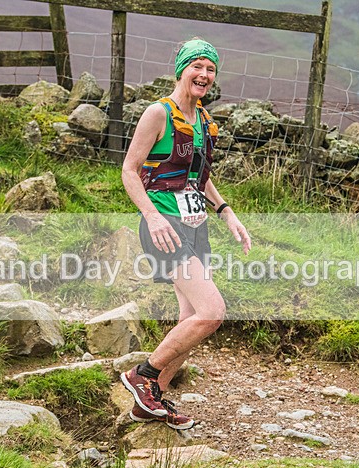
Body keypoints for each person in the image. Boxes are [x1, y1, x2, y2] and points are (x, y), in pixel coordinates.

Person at [120, 38, 251, 430]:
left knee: (190, 316)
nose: (204, 75)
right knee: (212, 312)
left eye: (211, 69)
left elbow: (198, 178)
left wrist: (226, 212)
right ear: (181, 70)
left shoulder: (205, 121)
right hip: (163, 224)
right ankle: (142, 375)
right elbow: (130, 170)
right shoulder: (157, 114)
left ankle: (151, 401)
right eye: (197, 66)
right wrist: (151, 216)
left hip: (195, 225)